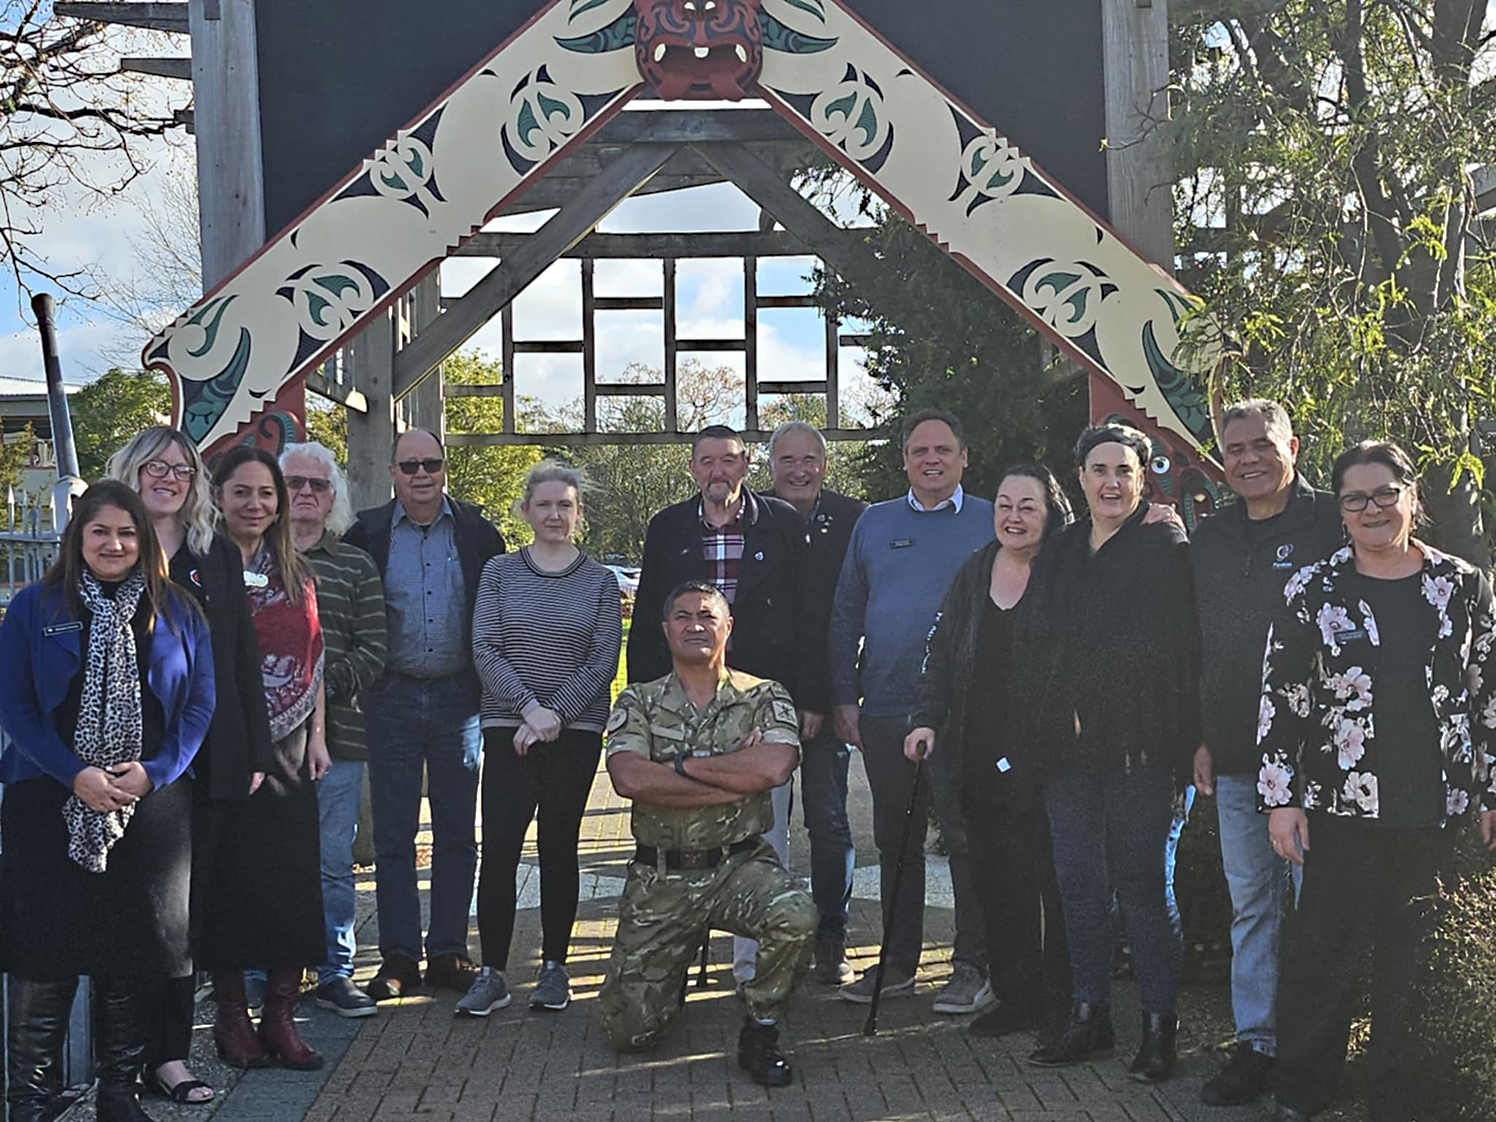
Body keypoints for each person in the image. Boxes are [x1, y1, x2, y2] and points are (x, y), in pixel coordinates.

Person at [1257, 441, 1496, 1122]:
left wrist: (1492, 792)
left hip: (1436, 805)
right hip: (1340, 806)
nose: (1372, 509)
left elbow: (1490, 695)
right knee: (1324, 954)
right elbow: (1282, 696)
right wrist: (1281, 800)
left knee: (1411, 961)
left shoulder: (1462, 585)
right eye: (1355, 498)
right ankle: (1304, 1089)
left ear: (1411, 497)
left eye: (1385, 493)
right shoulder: (1312, 588)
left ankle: (1398, 1097)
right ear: (1339, 509)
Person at [0, 481, 214, 1122]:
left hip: (150, 805)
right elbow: (14, 705)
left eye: (126, 532)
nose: (114, 544)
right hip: (48, 798)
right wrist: (75, 775)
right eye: (100, 532)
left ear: (144, 540)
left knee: (135, 947)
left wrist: (156, 772)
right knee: (44, 950)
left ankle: (118, 1093)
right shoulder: (35, 606)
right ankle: (29, 1101)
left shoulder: (179, 609)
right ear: (78, 538)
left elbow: (200, 704)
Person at [1018, 423, 1198, 1082]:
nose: (1111, 482)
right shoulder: (1063, 547)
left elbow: (1171, 650)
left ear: (1143, 478)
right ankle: (1090, 1015)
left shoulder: (1165, 546)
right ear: (1080, 478)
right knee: (1079, 888)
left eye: (1124, 470)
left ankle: (1159, 1029)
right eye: (1099, 470)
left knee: (1144, 890)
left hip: (1140, 751)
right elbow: (1040, 638)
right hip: (1067, 757)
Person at [106, 427, 274, 1099]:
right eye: (156, 466)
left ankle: (169, 1055)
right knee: (128, 911)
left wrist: (256, 748)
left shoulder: (215, 553)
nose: (169, 478)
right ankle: (118, 1061)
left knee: (186, 913)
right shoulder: (109, 544)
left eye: (181, 468)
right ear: (131, 471)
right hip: (127, 755)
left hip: (211, 755)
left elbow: (241, 656)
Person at [625, 424, 821, 993]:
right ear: (693, 468)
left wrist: (808, 697)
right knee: (681, 826)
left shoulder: (783, 524)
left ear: (745, 465)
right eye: (707, 461)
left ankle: (752, 971)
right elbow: (649, 618)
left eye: (729, 460)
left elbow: (807, 615)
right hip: (683, 698)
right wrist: (645, 701)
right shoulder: (667, 528)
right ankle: (674, 960)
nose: (718, 471)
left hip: (759, 701)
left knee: (763, 833)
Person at [1187, 400, 1343, 1106]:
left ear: (1294, 446)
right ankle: (1257, 1046)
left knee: (1316, 911)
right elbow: (1196, 642)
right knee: (1252, 906)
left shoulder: (1333, 521)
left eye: (1262, 445)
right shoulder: (1212, 535)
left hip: (1321, 758)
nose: (1248, 458)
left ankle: (1310, 1055)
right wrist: (1199, 735)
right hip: (1236, 755)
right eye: (1235, 448)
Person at [599, 582, 816, 1086]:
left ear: (728, 627)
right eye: (682, 617)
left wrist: (676, 767)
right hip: (662, 877)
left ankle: (761, 1028)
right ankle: (667, 977)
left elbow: (774, 767)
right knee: (627, 1033)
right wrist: (732, 776)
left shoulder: (763, 695)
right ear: (665, 630)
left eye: (707, 616)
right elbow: (629, 778)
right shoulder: (639, 700)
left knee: (797, 915)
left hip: (738, 867)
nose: (695, 625)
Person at [828, 407, 994, 1013]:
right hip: (886, 707)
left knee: (966, 839)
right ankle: (898, 964)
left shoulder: (991, 520)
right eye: (919, 450)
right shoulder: (874, 523)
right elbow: (846, 613)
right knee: (897, 842)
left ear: (964, 458)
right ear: (904, 460)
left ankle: (972, 966)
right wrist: (844, 696)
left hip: (967, 712)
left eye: (943, 449)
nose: (931, 459)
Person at [906, 464, 1074, 1041]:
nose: (1014, 517)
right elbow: (941, 654)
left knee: (1056, 883)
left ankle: (1064, 1002)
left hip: (1052, 758)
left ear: (1050, 513)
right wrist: (926, 719)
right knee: (999, 883)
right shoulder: (975, 571)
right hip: (980, 752)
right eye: (1004, 505)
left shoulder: (1066, 572)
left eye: (1027, 506)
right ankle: (1015, 996)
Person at [344, 428, 506, 999]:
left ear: (444, 469)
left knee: (458, 832)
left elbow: (499, 610)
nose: (421, 475)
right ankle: (398, 956)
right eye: (409, 465)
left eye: (431, 464)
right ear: (392, 472)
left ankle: (448, 951)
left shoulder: (478, 533)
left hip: (460, 697)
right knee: (393, 834)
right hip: (390, 696)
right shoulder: (365, 534)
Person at [461, 461, 623, 1016]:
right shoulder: (499, 573)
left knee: (559, 845)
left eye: (565, 505)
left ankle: (555, 967)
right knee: (500, 847)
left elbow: (602, 659)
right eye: (545, 504)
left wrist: (555, 715)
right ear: (526, 511)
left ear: (579, 513)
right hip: (508, 727)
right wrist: (528, 709)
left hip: (574, 732)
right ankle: (493, 972)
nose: (555, 515)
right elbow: (485, 648)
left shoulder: (600, 581)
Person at [206, 446, 329, 1070]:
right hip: (223, 745)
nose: (254, 505)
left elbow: (316, 656)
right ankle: (232, 1018)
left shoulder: (296, 571)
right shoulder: (201, 568)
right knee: (227, 884)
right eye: (241, 492)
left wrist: (319, 736)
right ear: (218, 497)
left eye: (266, 494)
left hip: (289, 749)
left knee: (292, 886)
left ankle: (281, 1016)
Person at [280, 441, 388, 1019]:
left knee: (330, 862)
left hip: (340, 737)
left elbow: (374, 649)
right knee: (267, 859)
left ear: (332, 498)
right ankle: (264, 971)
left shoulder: (355, 564)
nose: (305, 493)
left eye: (317, 485)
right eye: (293, 483)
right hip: (263, 744)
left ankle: (334, 971)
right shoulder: (247, 558)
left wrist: (312, 683)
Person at [766, 421, 864, 984]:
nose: (799, 471)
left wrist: (829, 698)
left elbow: (852, 615)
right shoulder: (754, 516)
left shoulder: (854, 520)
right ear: (770, 466)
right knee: (763, 825)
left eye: (809, 460)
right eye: (787, 460)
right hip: (764, 699)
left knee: (828, 822)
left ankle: (831, 934)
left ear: (824, 465)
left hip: (830, 693)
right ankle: (771, 934)